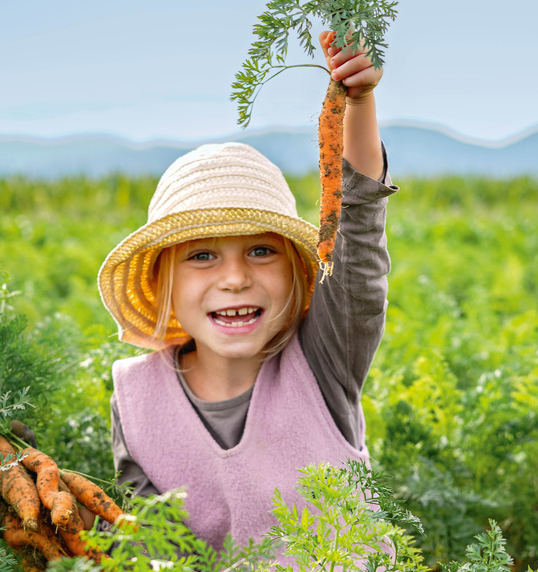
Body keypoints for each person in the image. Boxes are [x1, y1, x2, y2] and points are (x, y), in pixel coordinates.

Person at [92, 30, 396, 552]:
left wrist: (359, 100)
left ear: (298, 272)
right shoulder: (136, 400)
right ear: (163, 281)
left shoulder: (324, 358)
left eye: (260, 251)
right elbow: (156, 548)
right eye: (202, 256)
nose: (234, 277)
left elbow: (358, 230)